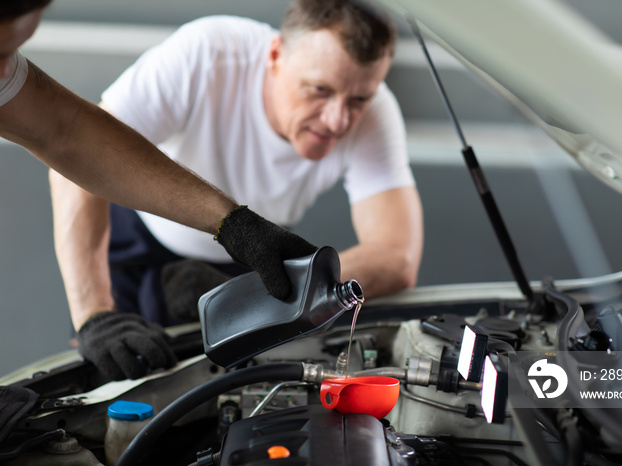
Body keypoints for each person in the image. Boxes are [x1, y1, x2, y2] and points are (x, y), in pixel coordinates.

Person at [50, 0, 424, 361]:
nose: (338, 120)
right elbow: (80, 159)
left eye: (359, 99)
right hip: (134, 251)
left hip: (249, 263)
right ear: (275, 56)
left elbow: (396, 256)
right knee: (108, 386)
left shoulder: (377, 112)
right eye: (319, 90)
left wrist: (262, 291)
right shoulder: (207, 54)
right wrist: (94, 316)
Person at [0, 1, 318, 381]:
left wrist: (235, 225)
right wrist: (93, 310)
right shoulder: (209, 51)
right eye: (2, 51)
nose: (5, 70)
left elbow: (66, 132)